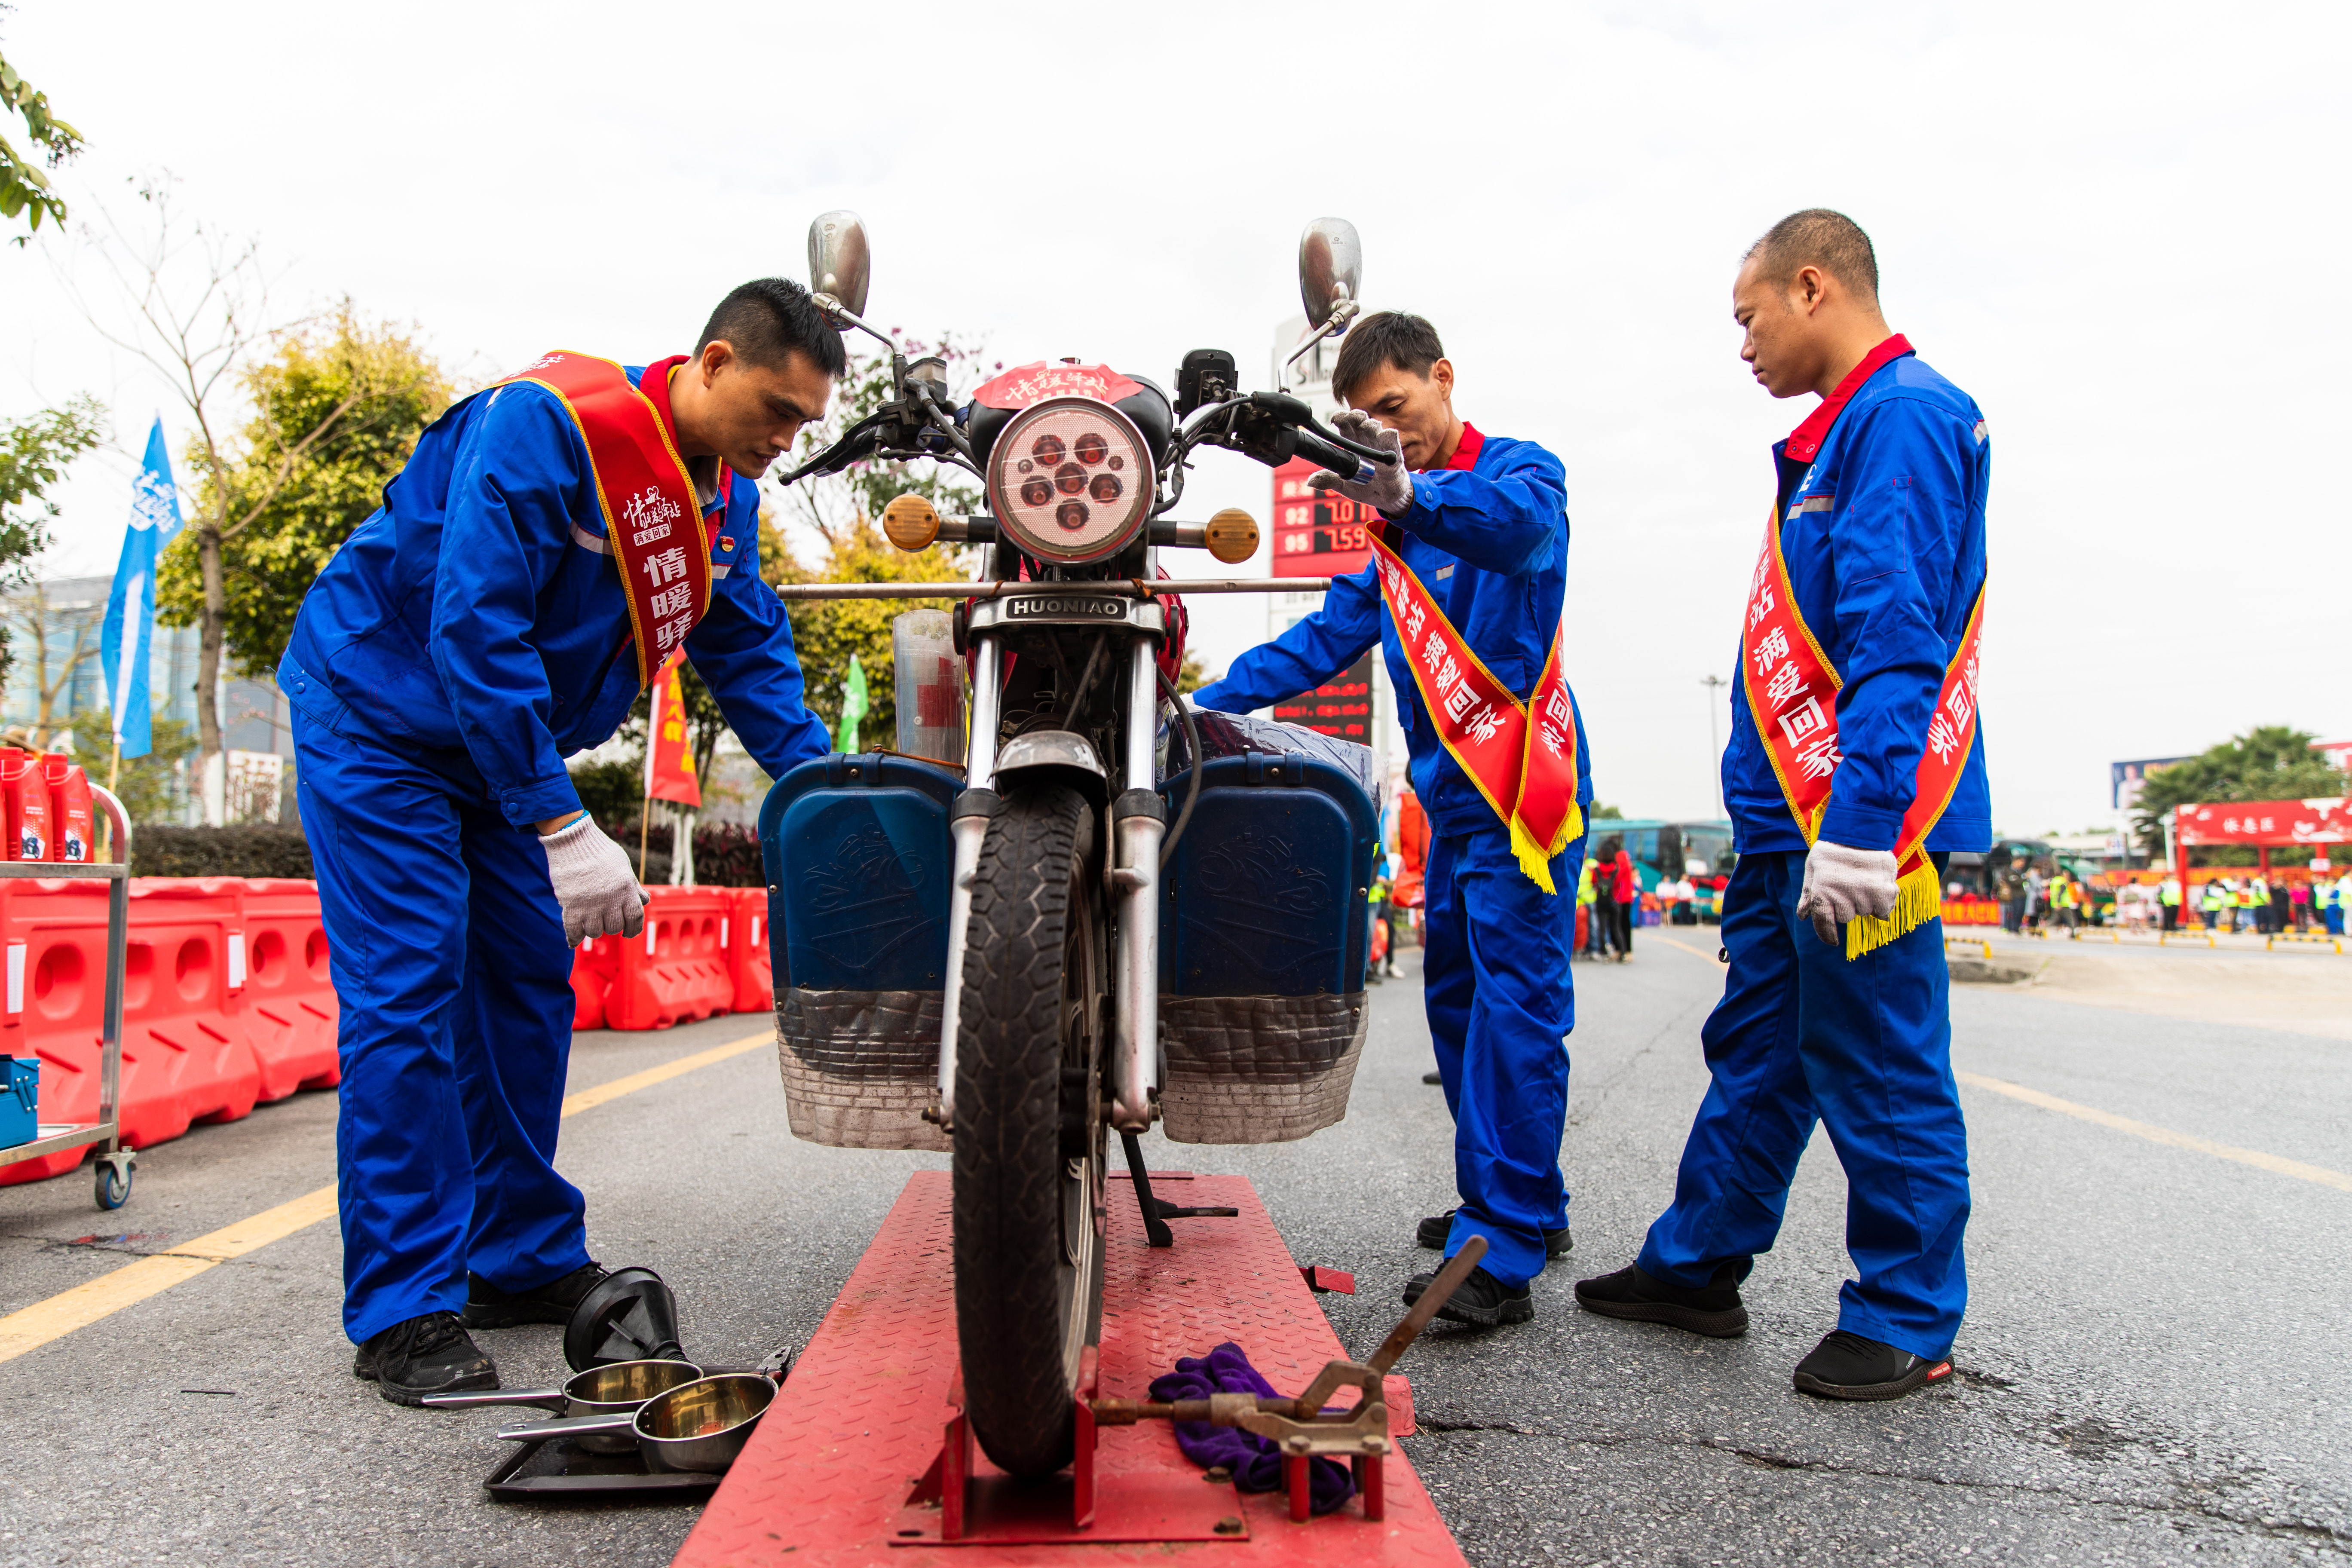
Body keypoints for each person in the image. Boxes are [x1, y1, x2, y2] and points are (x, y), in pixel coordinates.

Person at [281, 281, 844, 1404]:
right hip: (386, 719)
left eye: (804, 428)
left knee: (527, 985)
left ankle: (514, 1254)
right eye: (778, 413)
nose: (786, 444)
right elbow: (473, 625)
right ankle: (402, 1308)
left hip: (498, 753)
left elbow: (754, 661)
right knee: (410, 990)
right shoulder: (550, 426)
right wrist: (556, 816)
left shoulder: (718, 503)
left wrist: (840, 799)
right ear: (716, 362)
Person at [1576, 211, 1988, 1402]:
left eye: (1749, 317)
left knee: (1877, 1060)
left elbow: (1895, 640)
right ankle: (1698, 1265)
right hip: (1779, 832)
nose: (1743, 345)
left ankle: (1909, 1312)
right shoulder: (1837, 434)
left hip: (1855, 826)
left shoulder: (1901, 418)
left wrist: (1862, 824)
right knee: (1758, 1051)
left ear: (1813, 288)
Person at [1190, 310, 1593, 1328]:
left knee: (1516, 1017)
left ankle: (1498, 1245)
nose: (1385, 434)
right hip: (1450, 805)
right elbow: (1324, 640)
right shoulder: (1390, 536)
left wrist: (1415, 495)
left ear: (1444, 379)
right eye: (1364, 422)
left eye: (1397, 409)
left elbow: (1517, 533)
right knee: (1460, 1013)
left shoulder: (1519, 473)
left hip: (1522, 797)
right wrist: (1204, 705)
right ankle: (1514, 1203)